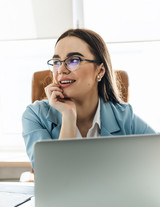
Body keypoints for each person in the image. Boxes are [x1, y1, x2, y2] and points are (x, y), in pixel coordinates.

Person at [22, 28, 156, 169]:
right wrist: (68, 116)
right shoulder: (35, 115)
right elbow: (53, 178)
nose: (61, 70)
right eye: (56, 62)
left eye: (73, 60)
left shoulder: (123, 116)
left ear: (100, 71)